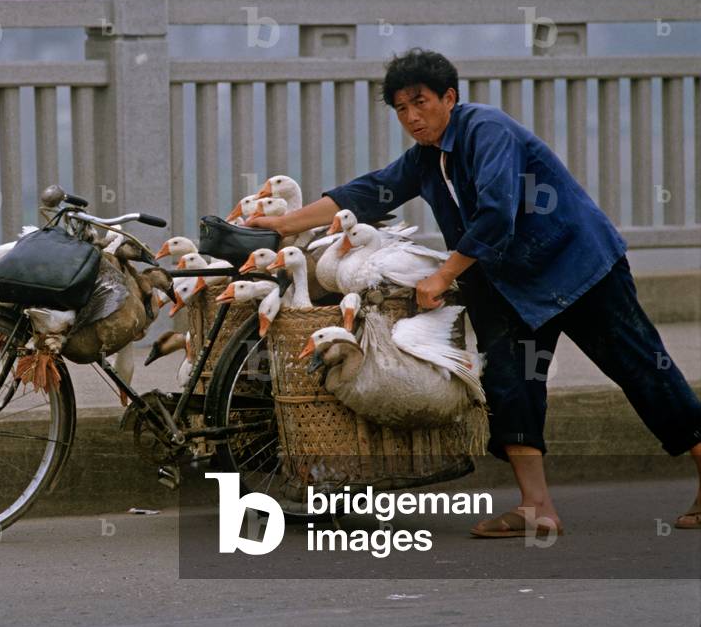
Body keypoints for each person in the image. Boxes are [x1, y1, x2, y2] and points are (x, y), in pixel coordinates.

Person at [246, 48, 701, 537]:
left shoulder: (488, 130)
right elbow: (370, 190)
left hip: (578, 268)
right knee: (511, 386)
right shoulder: (425, 158)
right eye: (400, 109)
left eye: (420, 102)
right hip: (508, 283)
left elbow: (496, 211)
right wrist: (283, 223)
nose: (412, 117)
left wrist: (442, 276)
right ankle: (536, 507)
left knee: (642, 370)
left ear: (449, 97)